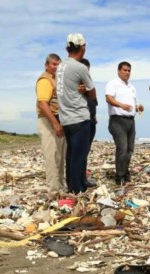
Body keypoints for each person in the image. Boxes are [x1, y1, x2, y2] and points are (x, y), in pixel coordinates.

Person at [55, 33, 96, 194]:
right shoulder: (80, 67)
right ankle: (77, 189)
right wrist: (85, 90)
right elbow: (92, 93)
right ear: (82, 48)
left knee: (71, 156)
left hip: (65, 119)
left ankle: (73, 186)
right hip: (79, 117)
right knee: (79, 156)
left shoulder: (60, 67)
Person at [105, 61, 144, 185]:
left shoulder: (132, 87)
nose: (127, 72)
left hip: (130, 121)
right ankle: (119, 176)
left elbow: (133, 104)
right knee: (122, 147)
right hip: (117, 120)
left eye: (129, 70)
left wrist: (138, 107)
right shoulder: (113, 83)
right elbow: (108, 98)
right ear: (118, 71)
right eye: (125, 70)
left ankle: (125, 172)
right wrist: (121, 105)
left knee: (130, 149)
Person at [36, 53, 66, 197]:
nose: (56, 67)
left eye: (58, 64)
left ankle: (60, 187)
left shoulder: (56, 80)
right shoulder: (45, 80)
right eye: (53, 64)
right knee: (52, 156)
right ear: (47, 65)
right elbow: (42, 103)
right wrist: (55, 124)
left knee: (59, 156)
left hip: (57, 119)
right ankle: (53, 191)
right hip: (48, 120)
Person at [79, 58, 98, 187]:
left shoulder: (89, 84)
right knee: (79, 152)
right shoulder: (74, 85)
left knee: (85, 151)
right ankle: (78, 180)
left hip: (91, 120)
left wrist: (95, 116)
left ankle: (83, 178)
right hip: (80, 121)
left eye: (87, 70)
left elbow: (94, 101)